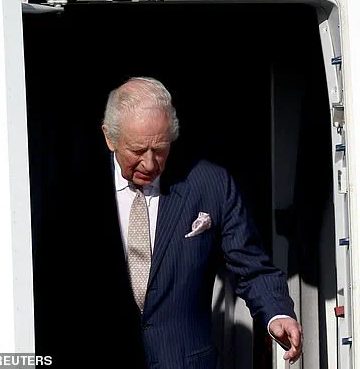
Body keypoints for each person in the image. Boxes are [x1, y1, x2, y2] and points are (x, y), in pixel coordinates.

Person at [100, 77, 302, 368]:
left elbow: (251, 267)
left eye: (160, 149)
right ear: (110, 138)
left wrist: (277, 314)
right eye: (137, 151)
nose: (150, 164)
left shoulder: (208, 184)